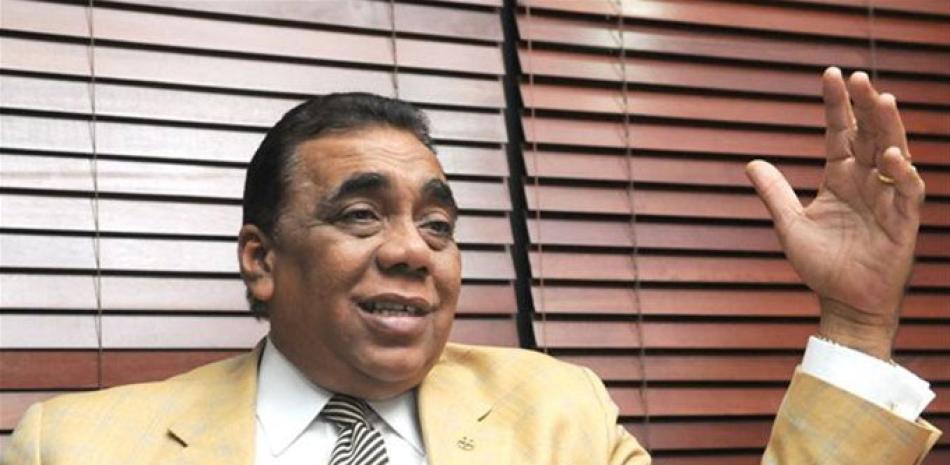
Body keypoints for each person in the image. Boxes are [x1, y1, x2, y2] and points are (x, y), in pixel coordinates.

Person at [1, 67, 941, 465]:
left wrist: (856, 323)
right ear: (261, 259)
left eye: (439, 224)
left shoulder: (559, 416)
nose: (414, 250)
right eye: (360, 214)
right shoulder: (74, 446)